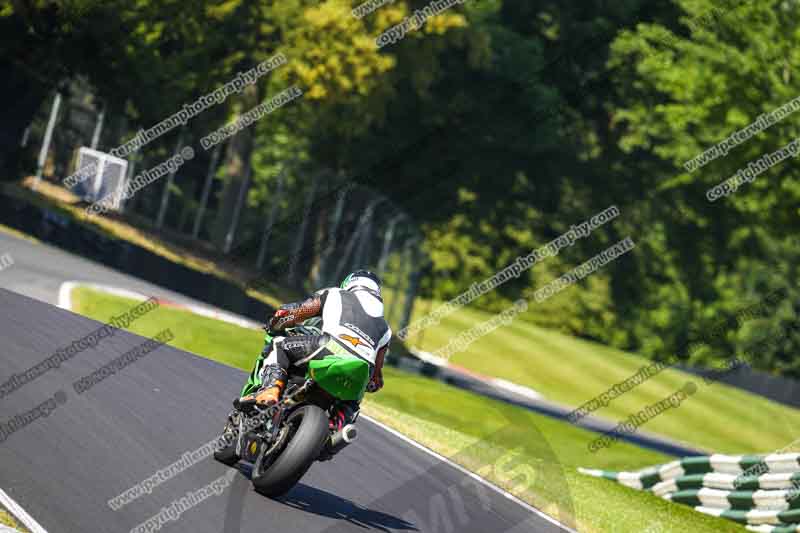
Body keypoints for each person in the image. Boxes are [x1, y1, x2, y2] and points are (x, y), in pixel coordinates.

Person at [235, 269, 391, 425]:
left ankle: (270, 391)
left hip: (329, 346)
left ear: (349, 284)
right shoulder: (386, 330)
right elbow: (376, 377)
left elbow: (298, 312)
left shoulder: (335, 293)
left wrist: (277, 322)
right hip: (362, 368)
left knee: (279, 345)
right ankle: (338, 425)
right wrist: (371, 384)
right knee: (353, 400)